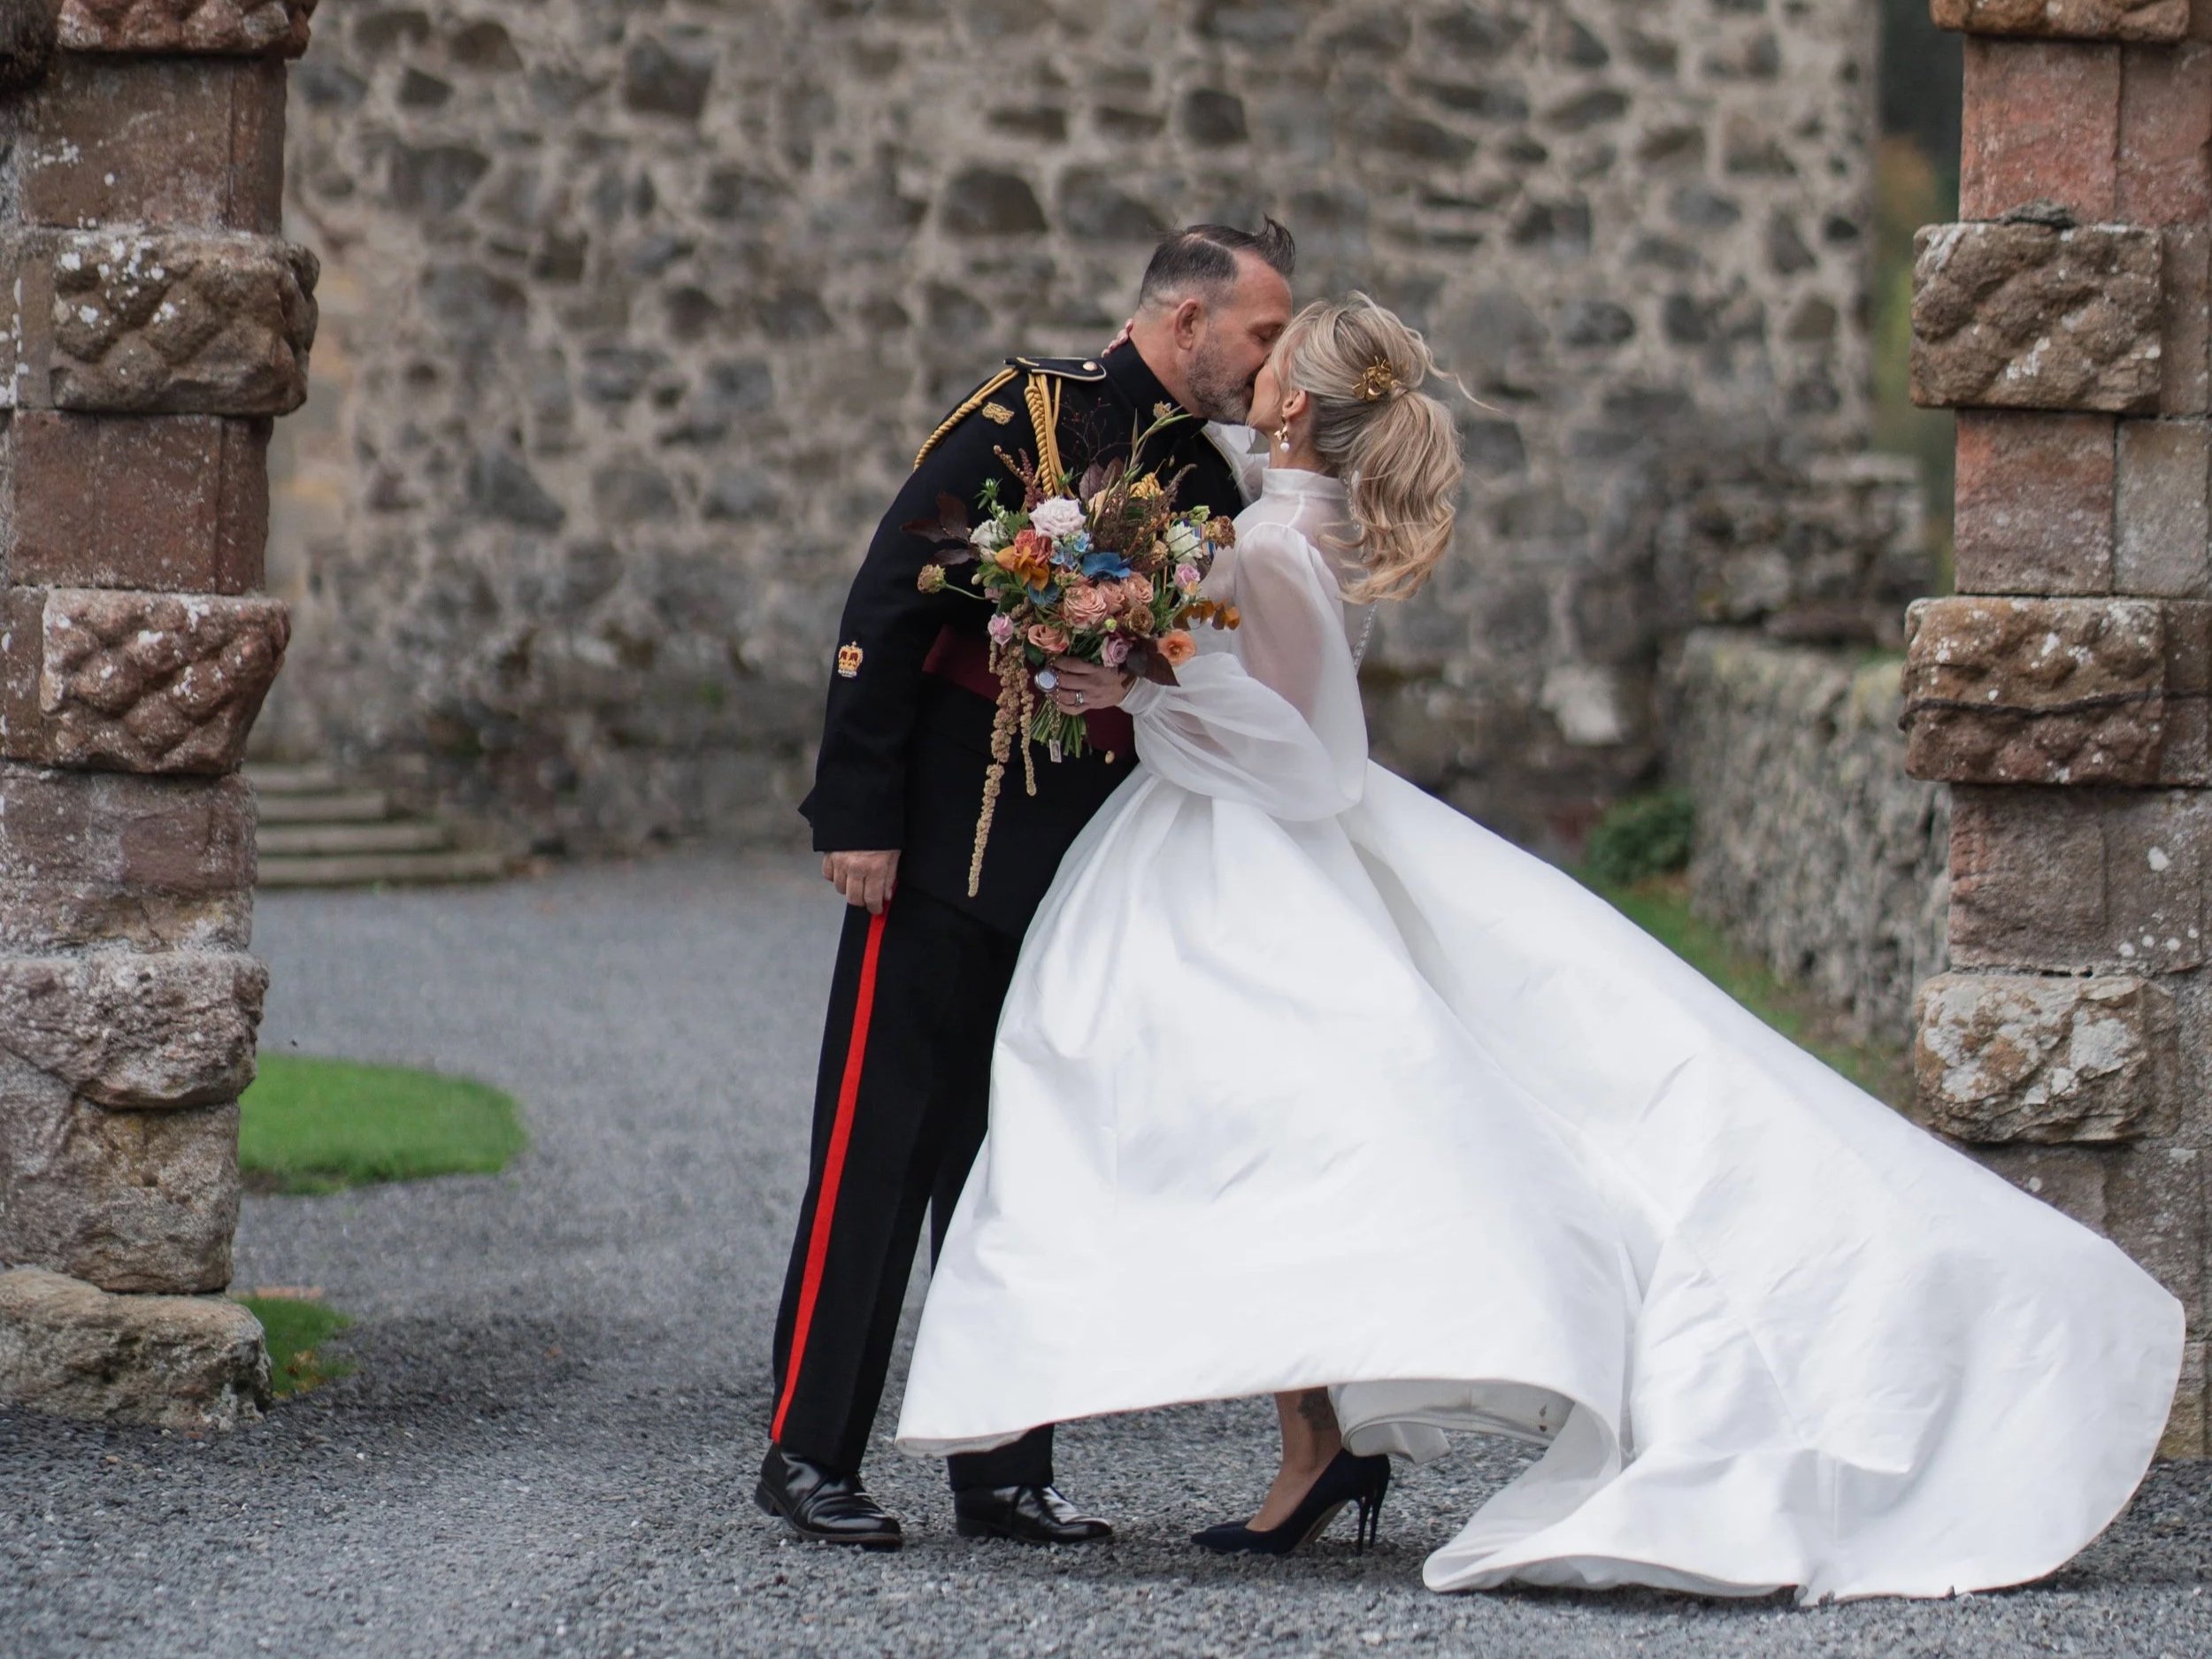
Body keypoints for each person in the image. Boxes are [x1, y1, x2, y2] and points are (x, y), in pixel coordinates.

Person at [894, 295, 2184, 1600]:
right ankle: (1311, 1446)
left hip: (1248, 860)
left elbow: (1305, 753)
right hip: (1249, 846)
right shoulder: (1295, 520)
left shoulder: (1274, 542)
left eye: (1275, 355)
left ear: (1292, 407)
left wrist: (1148, 682)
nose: (1254, 360)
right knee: (1284, 1136)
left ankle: (1306, 1437)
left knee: (1263, 1129)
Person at [756, 221, 1296, 1550]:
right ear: (1184, 322)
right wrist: (860, 811)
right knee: (879, 1151)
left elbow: (1206, 661)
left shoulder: (1207, 479)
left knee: (1020, 1168)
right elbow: (890, 598)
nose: (1271, 359)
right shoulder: (1028, 414)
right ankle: (808, 1449)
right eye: (1264, 333)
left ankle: (1002, 1469)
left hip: (1085, 872)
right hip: (944, 835)